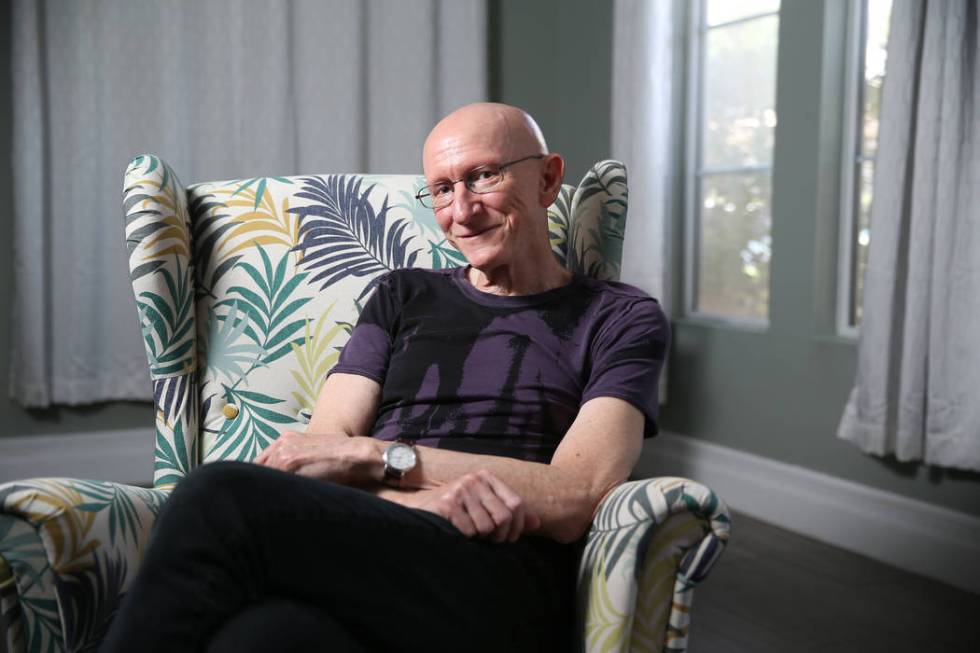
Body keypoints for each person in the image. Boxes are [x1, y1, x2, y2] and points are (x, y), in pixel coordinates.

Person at [100, 103, 669, 653]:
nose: (462, 211)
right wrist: (427, 501)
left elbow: (578, 493)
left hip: (503, 572)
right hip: (383, 545)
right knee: (263, 638)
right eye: (443, 189)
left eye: (482, 177)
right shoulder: (403, 295)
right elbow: (321, 456)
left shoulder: (620, 316)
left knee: (218, 494)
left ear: (548, 179)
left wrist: (380, 458)